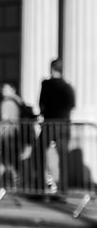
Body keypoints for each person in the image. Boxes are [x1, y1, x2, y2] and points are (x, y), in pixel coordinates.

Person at [38, 58, 75, 197]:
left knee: (39, 154)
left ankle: (40, 187)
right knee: (63, 157)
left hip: (50, 123)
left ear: (52, 69)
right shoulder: (67, 86)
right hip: (64, 124)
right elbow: (71, 105)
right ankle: (63, 189)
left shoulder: (47, 84)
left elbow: (41, 104)